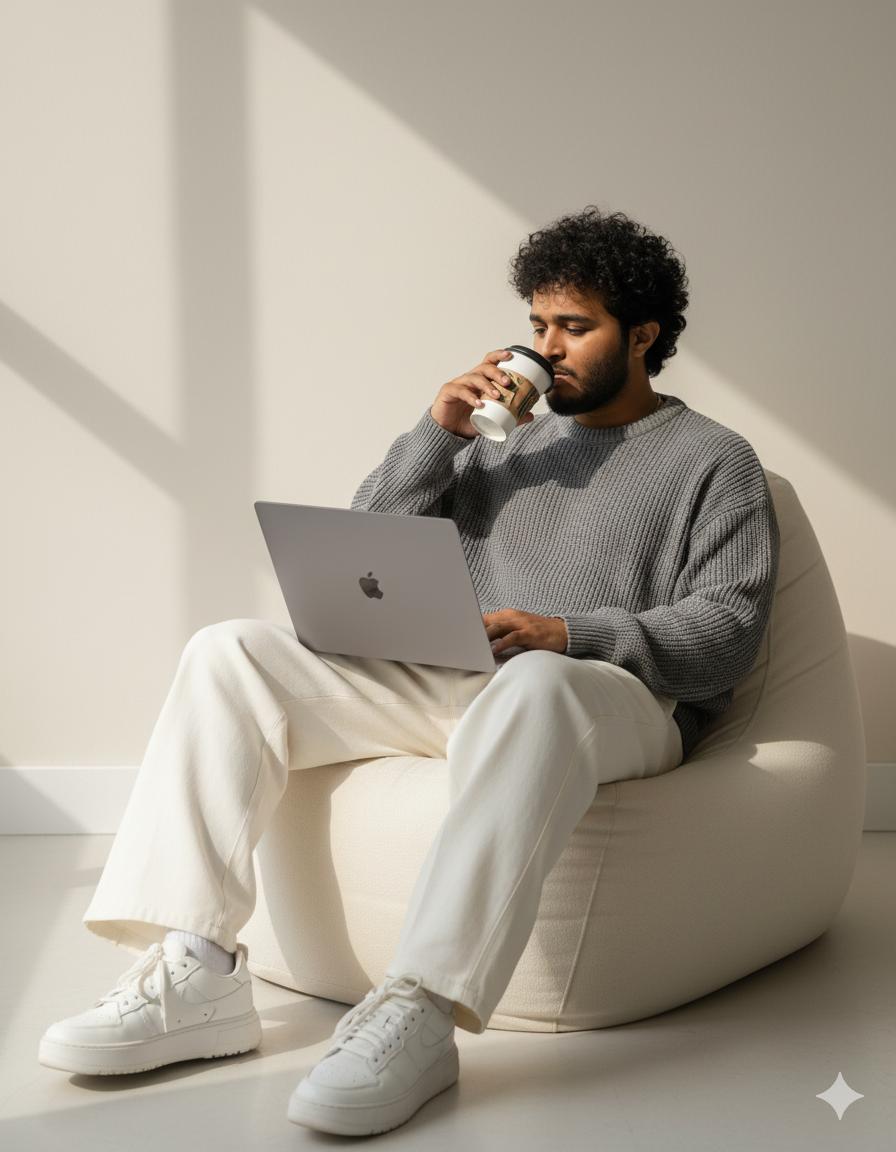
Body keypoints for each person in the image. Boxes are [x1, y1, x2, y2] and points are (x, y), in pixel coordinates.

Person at [39, 207, 779, 1137]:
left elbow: (730, 629)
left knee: (535, 686)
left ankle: (422, 1009)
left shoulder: (714, 459)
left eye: (575, 328)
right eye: (539, 325)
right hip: (457, 683)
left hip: (609, 699)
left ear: (644, 335)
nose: (547, 351)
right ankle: (196, 970)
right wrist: (437, 433)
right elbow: (371, 538)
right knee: (230, 650)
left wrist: (568, 631)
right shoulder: (504, 440)